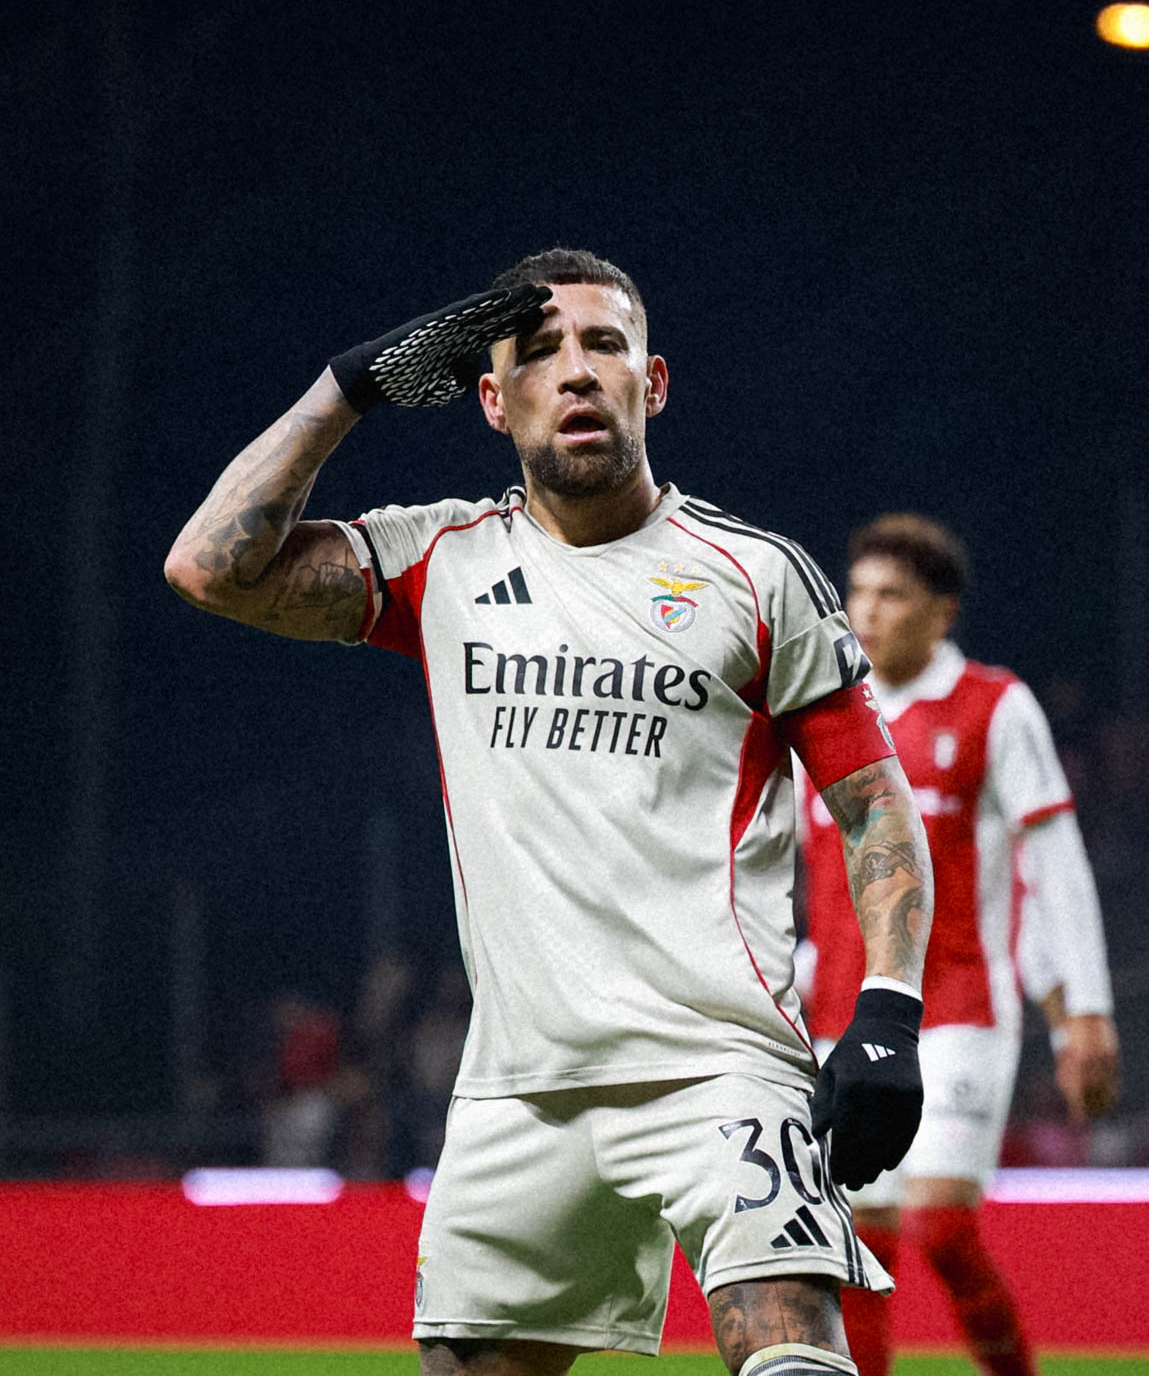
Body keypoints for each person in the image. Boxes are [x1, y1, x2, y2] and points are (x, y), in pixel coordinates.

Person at [165, 248, 936, 1376]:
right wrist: (349, 387)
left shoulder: (757, 575)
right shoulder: (439, 559)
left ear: (651, 383)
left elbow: (873, 807)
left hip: (720, 1066)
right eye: (537, 352)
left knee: (790, 1348)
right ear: (491, 400)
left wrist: (889, 1011)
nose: (575, 370)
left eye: (604, 344)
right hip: (518, 1089)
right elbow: (207, 569)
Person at [796, 513, 1120, 1376]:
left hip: (960, 1007)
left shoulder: (991, 705)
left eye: (892, 595)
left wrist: (1083, 1011)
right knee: (858, 1242)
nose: (868, 611)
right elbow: (778, 858)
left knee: (939, 1226)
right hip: (841, 1011)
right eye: (858, 591)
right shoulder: (824, 707)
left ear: (941, 612)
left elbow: (1053, 861)